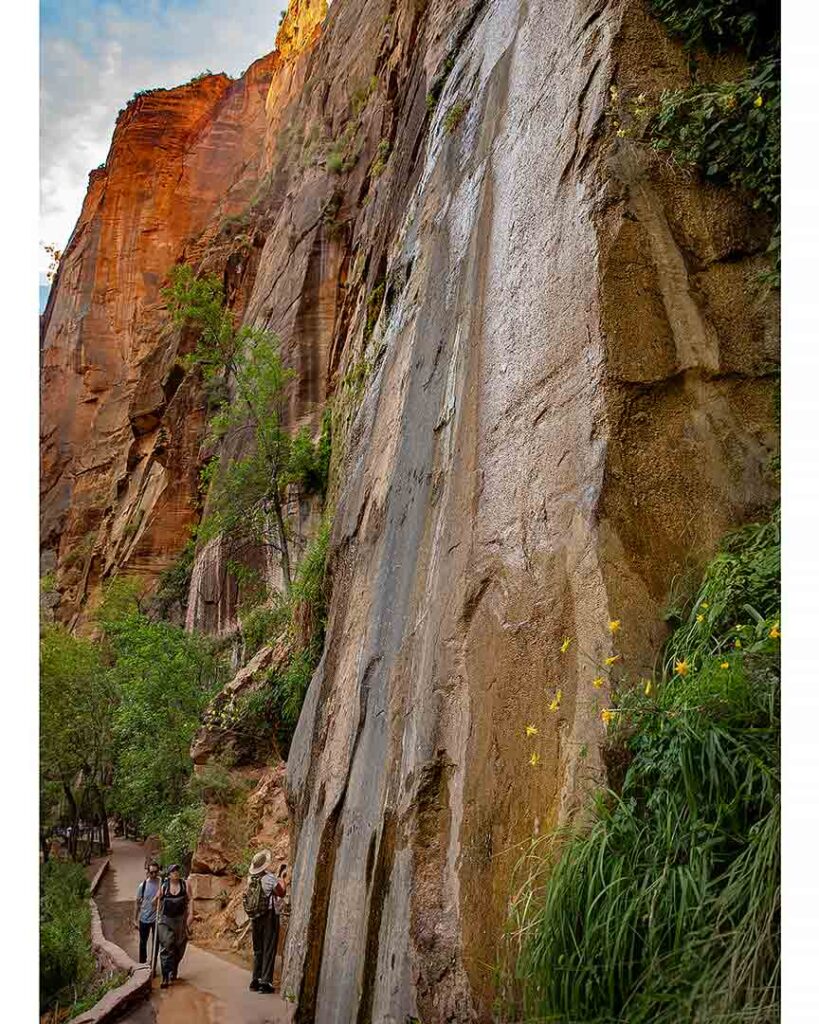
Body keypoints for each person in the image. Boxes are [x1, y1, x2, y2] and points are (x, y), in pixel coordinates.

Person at [245, 850, 287, 994]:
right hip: (269, 916)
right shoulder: (269, 878)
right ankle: (265, 982)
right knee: (269, 948)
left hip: (255, 917)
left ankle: (255, 980)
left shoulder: (250, 879)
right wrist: (281, 879)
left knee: (258, 949)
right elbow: (281, 892)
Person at [155, 864, 191, 988]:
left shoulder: (184, 885)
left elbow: (189, 900)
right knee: (167, 945)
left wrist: (190, 916)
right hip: (165, 921)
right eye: (173, 871)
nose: (176, 873)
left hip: (180, 921)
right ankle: (165, 976)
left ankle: (173, 969)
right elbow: (155, 901)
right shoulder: (164, 886)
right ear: (169, 874)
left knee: (179, 947)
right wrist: (157, 897)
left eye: (177, 870)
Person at [133, 859, 161, 964]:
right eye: (151, 872)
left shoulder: (161, 883)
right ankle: (142, 963)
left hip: (156, 918)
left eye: (155, 872)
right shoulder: (143, 886)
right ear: (148, 872)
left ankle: (153, 962)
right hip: (144, 918)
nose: (153, 874)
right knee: (143, 943)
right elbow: (137, 903)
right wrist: (135, 919)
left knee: (156, 942)